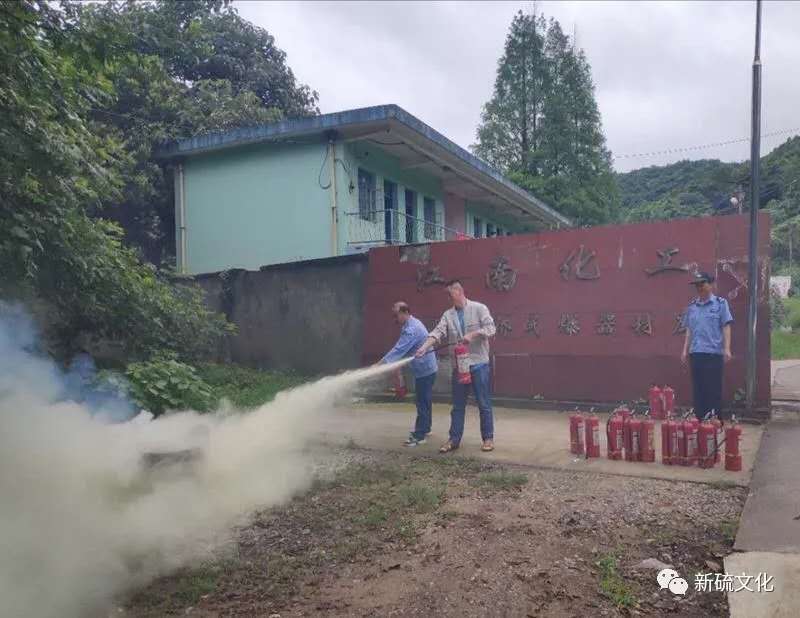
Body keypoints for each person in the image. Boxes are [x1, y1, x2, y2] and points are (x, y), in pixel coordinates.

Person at [415, 280, 496, 453]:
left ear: (459, 291)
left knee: (483, 403)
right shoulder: (448, 315)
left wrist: (473, 334)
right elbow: (438, 332)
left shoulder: (479, 308)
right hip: (459, 366)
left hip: (479, 363)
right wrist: (424, 347)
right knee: (458, 406)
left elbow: (491, 329)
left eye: (450, 294)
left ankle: (488, 438)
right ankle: (454, 439)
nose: (448, 298)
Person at [380, 302, 438, 447]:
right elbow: (404, 349)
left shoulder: (412, 329)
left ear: (405, 312)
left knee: (421, 402)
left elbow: (399, 349)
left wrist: (381, 363)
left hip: (425, 370)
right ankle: (426, 428)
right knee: (425, 400)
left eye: (396, 315)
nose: (395, 318)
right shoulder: (409, 324)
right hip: (426, 369)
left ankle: (419, 435)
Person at [681, 272, 734, 421]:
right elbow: (689, 330)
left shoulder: (720, 304)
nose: (699, 287)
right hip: (696, 353)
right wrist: (685, 350)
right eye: (697, 285)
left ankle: (714, 421)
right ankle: (700, 421)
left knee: (714, 389)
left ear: (711, 285)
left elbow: (726, 326)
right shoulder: (692, 307)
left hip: (713, 353)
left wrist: (727, 348)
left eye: (702, 284)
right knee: (699, 388)